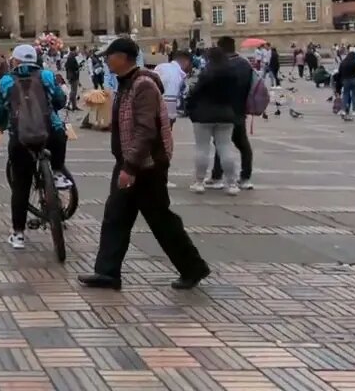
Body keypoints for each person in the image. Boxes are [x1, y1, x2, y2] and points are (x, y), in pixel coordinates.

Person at [79, 37, 209, 291]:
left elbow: (145, 130)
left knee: (160, 219)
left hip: (147, 166)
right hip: (131, 161)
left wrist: (130, 167)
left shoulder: (143, 86)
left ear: (124, 57)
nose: (106, 60)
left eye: (110, 55)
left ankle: (193, 267)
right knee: (116, 216)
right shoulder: (127, 84)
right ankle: (107, 273)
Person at [0, 44, 69, 250]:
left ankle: (18, 235)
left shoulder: (6, 81)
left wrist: (1, 125)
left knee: (21, 186)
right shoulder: (46, 76)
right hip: (50, 132)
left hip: (21, 137)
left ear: (15, 61)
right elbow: (61, 101)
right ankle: (59, 172)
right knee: (59, 135)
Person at [184, 47, 243, 195]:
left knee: (202, 148)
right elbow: (237, 95)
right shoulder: (232, 74)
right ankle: (231, 184)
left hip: (203, 114)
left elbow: (195, 93)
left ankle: (199, 182)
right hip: (226, 114)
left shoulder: (206, 74)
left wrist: (190, 109)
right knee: (226, 147)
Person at [208, 36, 257, 190]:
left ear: (221, 49)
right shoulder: (245, 64)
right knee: (243, 145)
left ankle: (218, 177)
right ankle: (245, 177)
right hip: (240, 110)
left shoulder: (220, 66)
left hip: (222, 110)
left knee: (221, 144)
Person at [154, 50, 191, 123]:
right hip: (163, 116)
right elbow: (170, 101)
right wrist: (171, 118)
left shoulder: (160, 66)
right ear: (186, 61)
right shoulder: (176, 75)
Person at [338, 48, 355, 117]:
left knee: (345, 95)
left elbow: (339, 72)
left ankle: (343, 110)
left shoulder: (342, 63)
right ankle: (354, 111)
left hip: (346, 80)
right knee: (354, 95)